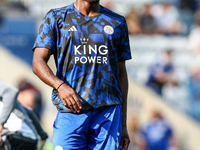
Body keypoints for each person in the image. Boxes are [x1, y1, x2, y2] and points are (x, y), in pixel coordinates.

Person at [32, 0, 132, 150]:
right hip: (71, 110)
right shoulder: (56, 17)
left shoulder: (117, 22)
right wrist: (60, 86)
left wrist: (123, 124)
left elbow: (122, 74)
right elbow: (37, 62)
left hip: (108, 113)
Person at [0, 79, 48, 150]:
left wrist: (0, 124)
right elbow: (28, 111)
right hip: (29, 138)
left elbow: (11, 91)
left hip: (17, 136)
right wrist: (43, 134)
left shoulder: (6, 94)